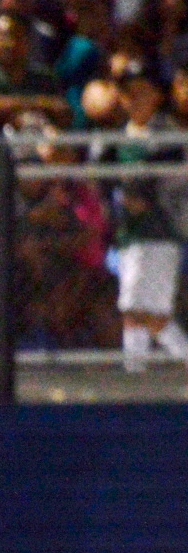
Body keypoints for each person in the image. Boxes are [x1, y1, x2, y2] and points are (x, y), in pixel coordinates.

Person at [100, 56, 188, 368]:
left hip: (159, 234)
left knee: (141, 309)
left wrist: (143, 194)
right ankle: (136, 368)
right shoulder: (118, 138)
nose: (134, 99)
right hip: (129, 235)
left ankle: (137, 367)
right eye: (128, 93)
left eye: (142, 92)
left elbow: (166, 183)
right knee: (140, 310)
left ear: (158, 95)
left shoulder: (168, 136)